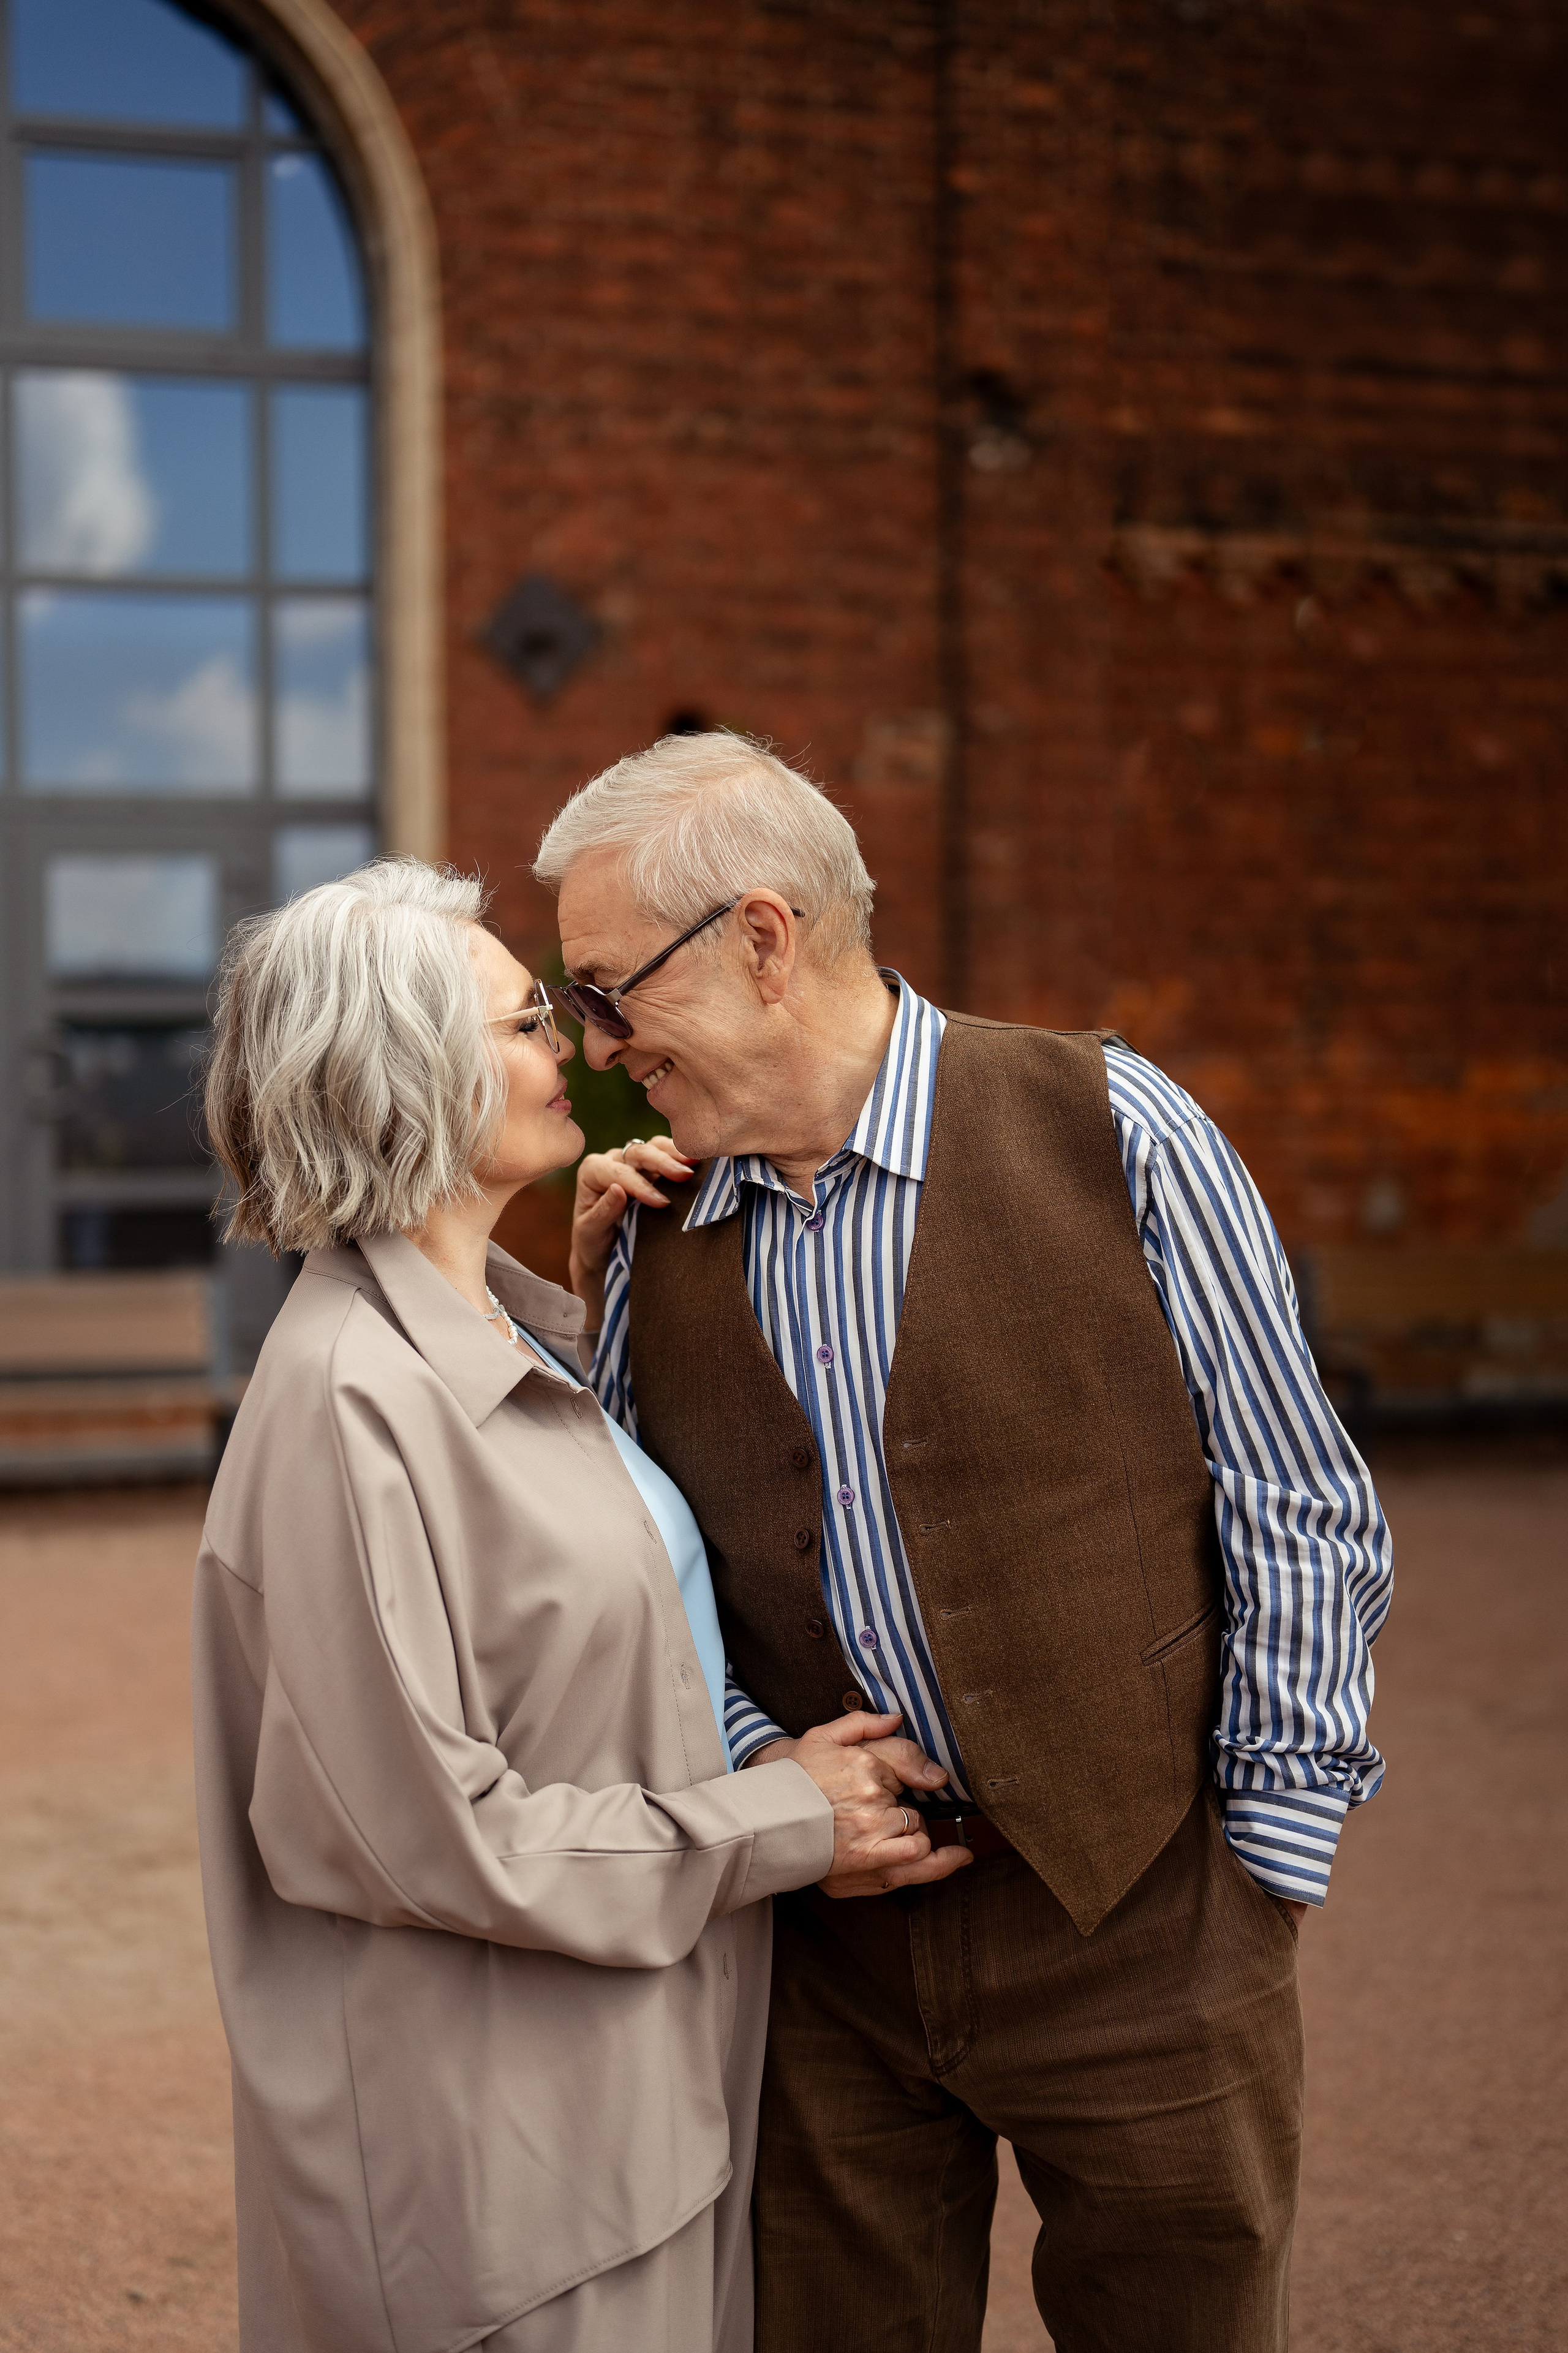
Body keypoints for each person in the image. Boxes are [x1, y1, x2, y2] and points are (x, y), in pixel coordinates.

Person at [536, 732, 1395, 2353]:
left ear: (764, 942)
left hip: (1149, 1922)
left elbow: (1295, 1492)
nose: (594, 1044)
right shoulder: (648, 1228)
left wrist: (1264, 1859)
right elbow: (640, 1579)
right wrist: (765, 1776)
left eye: (603, 989)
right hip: (830, 1969)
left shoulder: (1119, 1126)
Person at [191, 858, 959, 2353]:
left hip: (620, 2118)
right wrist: (790, 1818)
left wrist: (598, 1303)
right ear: (404, 1072)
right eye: (525, 1021)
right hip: (504, 2196)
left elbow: (590, 1609)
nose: (575, 1049)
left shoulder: (487, 1338)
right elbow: (436, 1831)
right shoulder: (348, 1406)